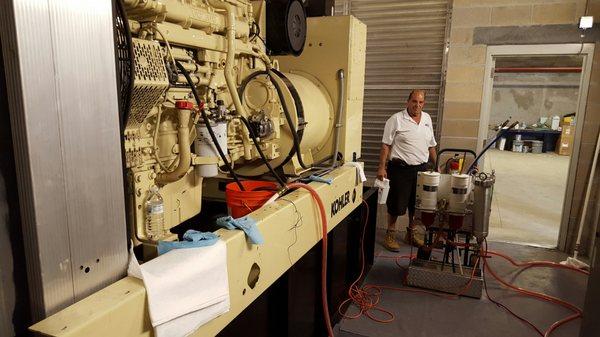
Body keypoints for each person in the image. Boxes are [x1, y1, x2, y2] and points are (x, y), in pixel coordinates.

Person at [377, 89, 437, 252]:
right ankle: (390, 233)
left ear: (424, 103)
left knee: (416, 205)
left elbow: (431, 145)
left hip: (421, 169)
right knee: (396, 204)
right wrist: (382, 167)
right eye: (414, 101)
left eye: (421, 102)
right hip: (400, 169)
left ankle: (410, 233)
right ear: (408, 102)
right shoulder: (396, 119)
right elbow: (385, 145)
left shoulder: (427, 119)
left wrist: (436, 166)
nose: (417, 105)